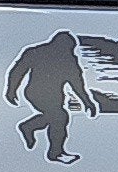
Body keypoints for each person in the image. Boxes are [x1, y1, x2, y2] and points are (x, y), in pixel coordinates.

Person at [7, 32, 94, 162]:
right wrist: (11, 91)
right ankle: (54, 152)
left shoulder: (68, 59)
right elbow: (18, 71)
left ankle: (30, 127)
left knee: (56, 117)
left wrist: (88, 103)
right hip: (36, 94)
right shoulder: (37, 52)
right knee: (60, 117)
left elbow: (78, 85)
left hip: (54, 96)